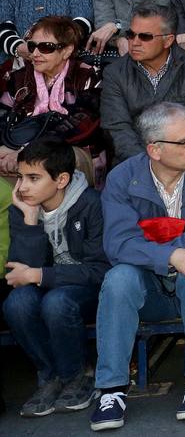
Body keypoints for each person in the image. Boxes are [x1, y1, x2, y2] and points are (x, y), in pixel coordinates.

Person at [90, 102, 185, 431]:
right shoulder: (123, 179)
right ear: (154, 149)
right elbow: (117, 244)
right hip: (147, 288)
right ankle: (111, 389)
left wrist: (167, 250)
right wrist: (171, 255)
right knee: (118, 278)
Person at [3, 137, 108, 417]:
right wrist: (28, 220)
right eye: (20, 177)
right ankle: (50, 376)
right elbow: (18, 272)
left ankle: (78, 375)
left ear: (61, 179)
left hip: (87, 289)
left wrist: (39, 274)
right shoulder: (22, 209)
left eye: (33, 178)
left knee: (57, 302)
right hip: (49, 284)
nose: (22, 187)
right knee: (17, 302)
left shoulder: (91, 204)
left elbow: (99, 269)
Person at [100, 5, 185, 165]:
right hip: (136, 162)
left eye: (145, 37)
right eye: (130, 35)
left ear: (168, 40)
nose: (134, 42)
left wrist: (178, 159)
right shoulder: (114, 73)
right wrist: (153, 166)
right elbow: (117, 130)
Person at [0, 17, 103, 174]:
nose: (35, 53)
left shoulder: (87, 75)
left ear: (67, 50)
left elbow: (82, 123)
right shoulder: (20, 77)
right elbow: (2, 115)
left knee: (44, 160)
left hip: (72, 148)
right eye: (32, 46)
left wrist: (29, 150)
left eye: (46, 47)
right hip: (20, 144)